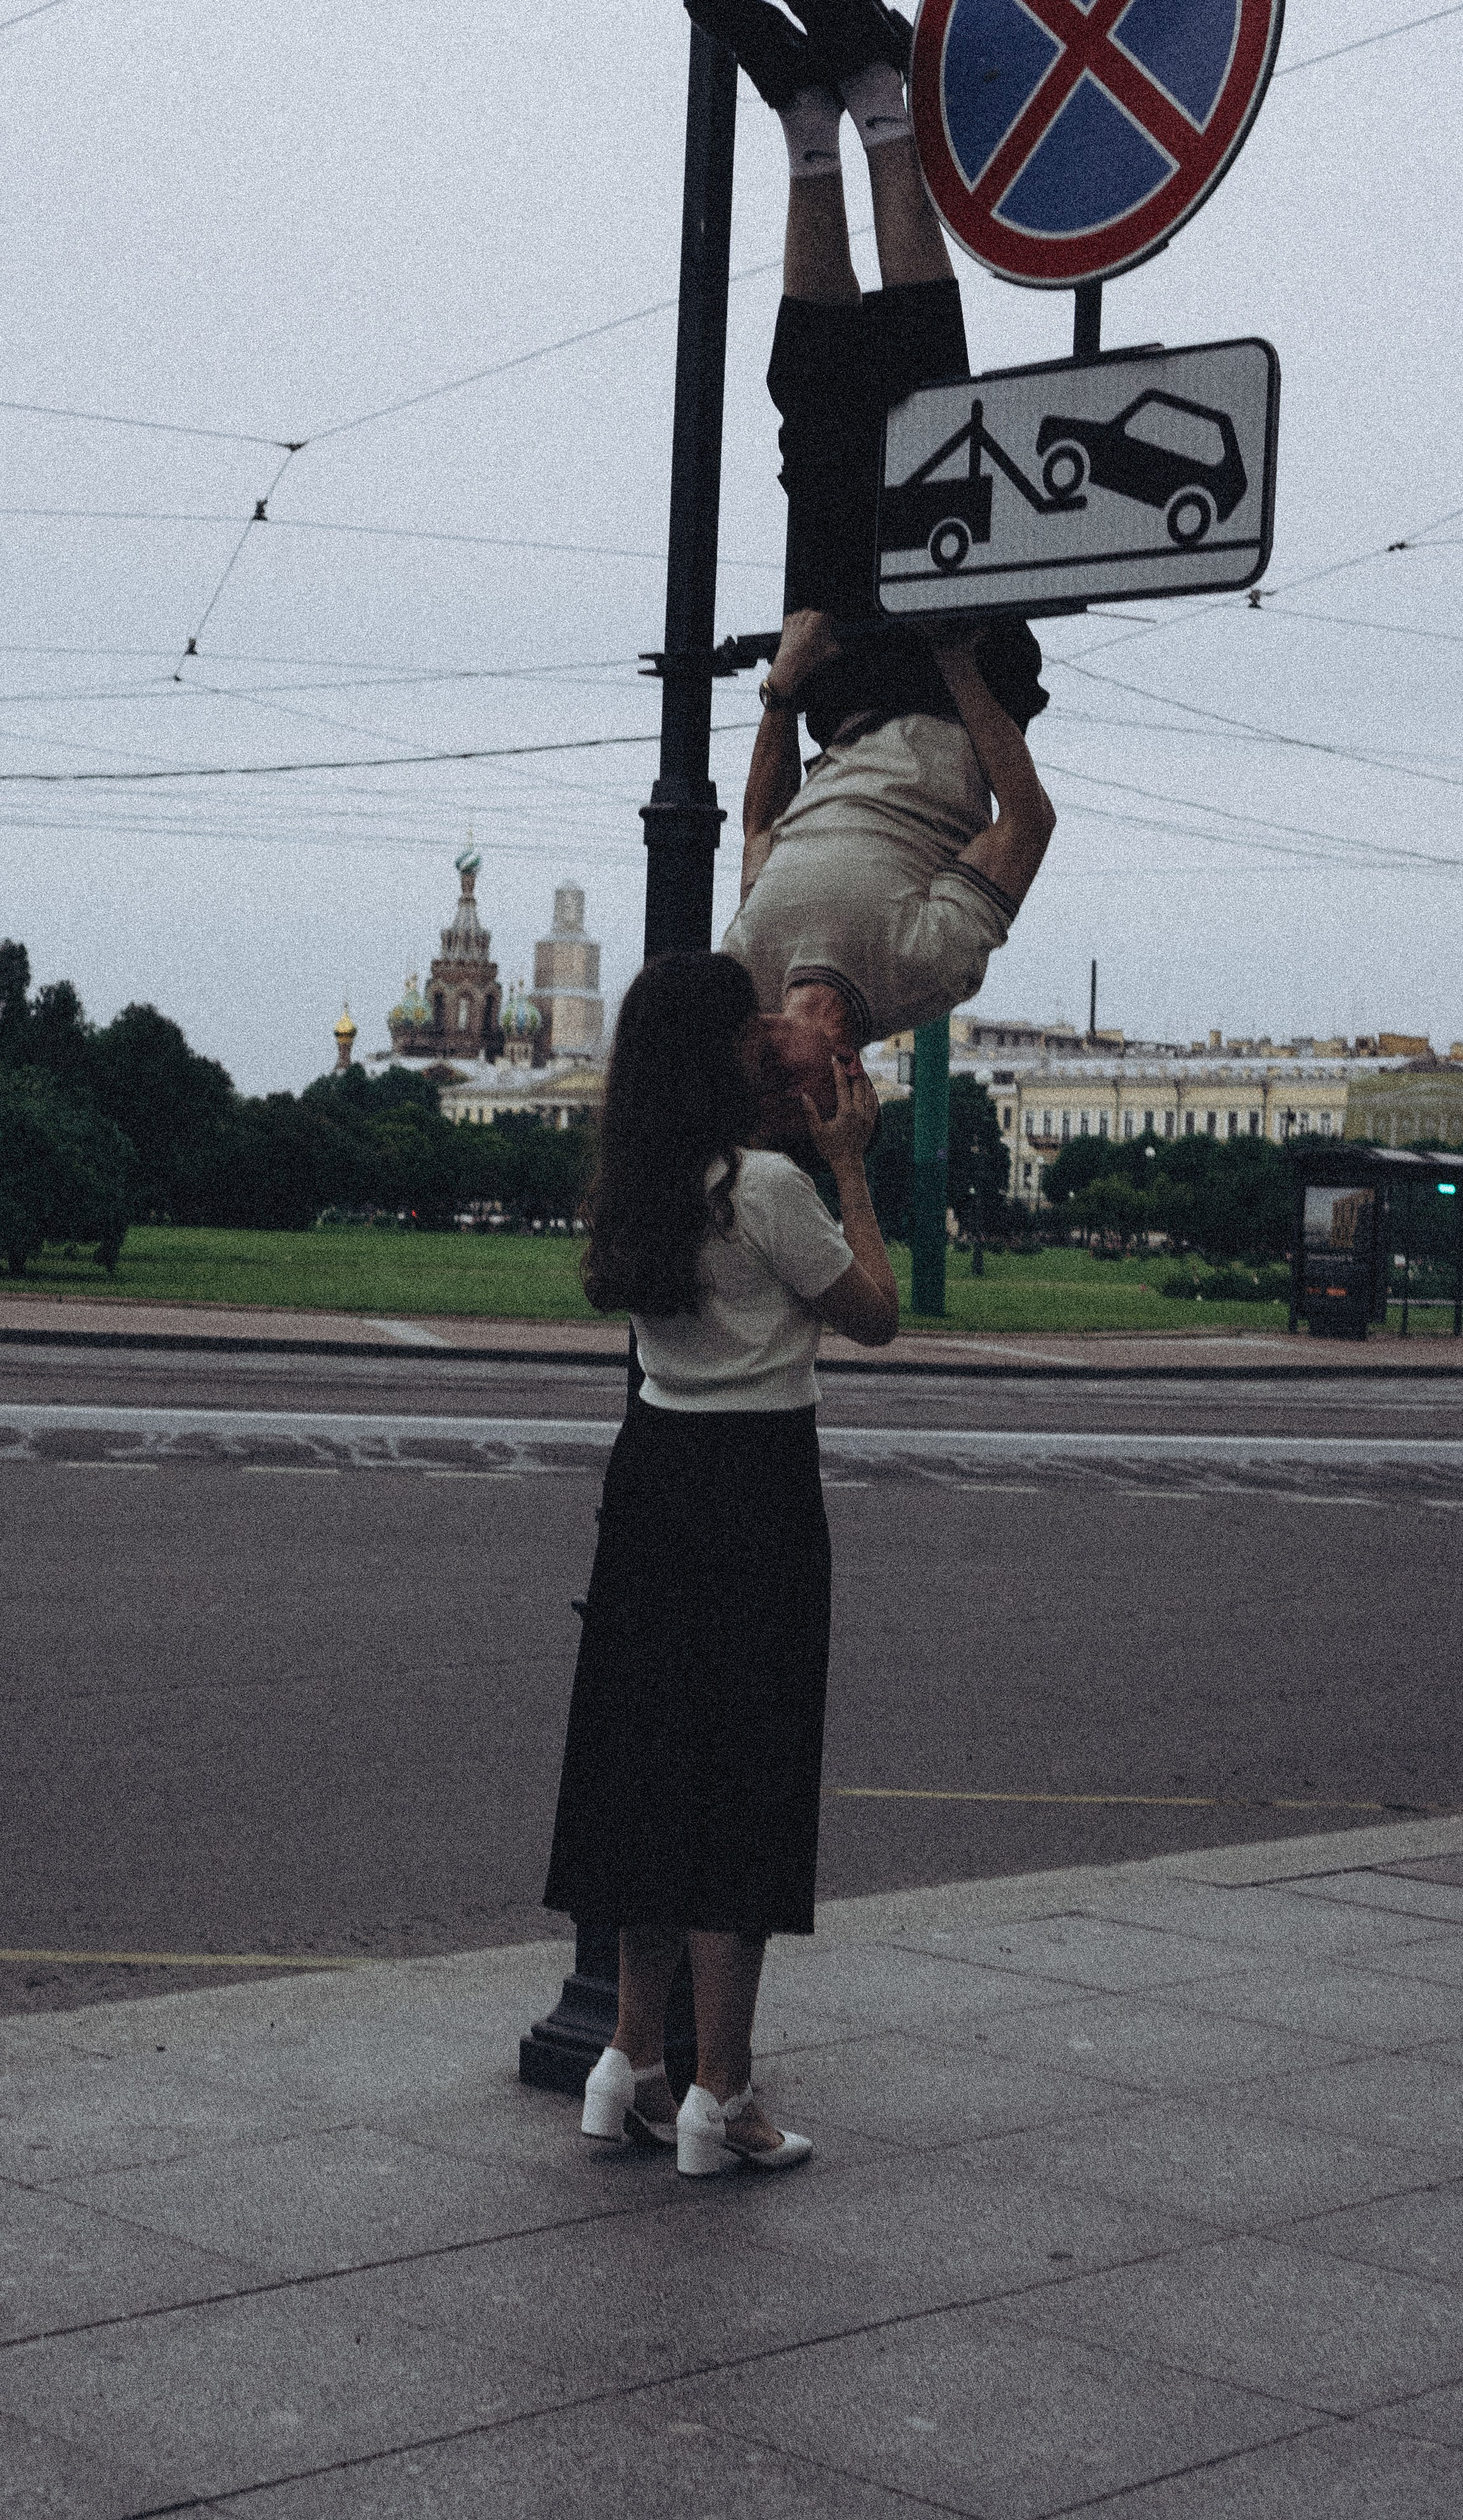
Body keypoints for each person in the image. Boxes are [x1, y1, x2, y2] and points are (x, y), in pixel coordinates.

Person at [542, 950, 899, 2175]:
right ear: (715, 1053)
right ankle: (722, 2094)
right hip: (755, 1487)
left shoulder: (641, 1184)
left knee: (647, 1767)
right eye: (746, 1021)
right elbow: (877, 1313)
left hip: (651, 1478)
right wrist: (850, 1163)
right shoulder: (767, 1188)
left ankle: (628, 2064)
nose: (764, 1032)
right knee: (745, 1780)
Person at [687, 0, 1057, 1093]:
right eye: (782, 1070)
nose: (763, 1047)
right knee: (924, 394)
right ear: (842, 1066)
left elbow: (761, 830)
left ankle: (808, 124)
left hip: (834, 693)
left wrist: (778, 693)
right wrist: (960, 660)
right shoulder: (919, 979)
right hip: (950, 689)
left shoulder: (749, 973)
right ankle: (881, 104)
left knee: (811, 413)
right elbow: (1027, 824)